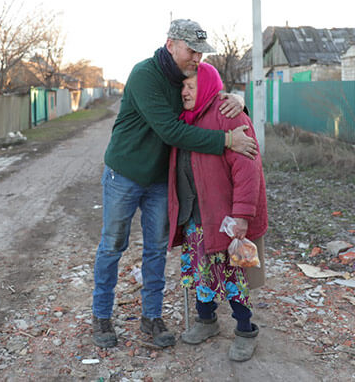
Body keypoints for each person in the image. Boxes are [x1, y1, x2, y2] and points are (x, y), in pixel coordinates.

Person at [92, 19, 258, 348]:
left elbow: (213, 98)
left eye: (201, 53)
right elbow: (171, 131)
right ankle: (101, 317)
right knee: (112, 245)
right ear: (171, 45)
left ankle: (151, 318)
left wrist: (238, 101)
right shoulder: (145, 75)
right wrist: (226, 139)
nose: (197, 58)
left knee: (155, 250)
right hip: (124, 174)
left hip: (158, 181)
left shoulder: (188, 77)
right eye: (191, 51)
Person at [167, 62, 268, 362]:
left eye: (190, 86)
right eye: (182, 86)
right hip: (195, 216)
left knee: (234, 274)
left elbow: (248, 170)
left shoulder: (228, 114)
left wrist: (242, 215)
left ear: (208, 86)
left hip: (225, 218)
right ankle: (206, 320)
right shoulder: (183, 120)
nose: (183, 91)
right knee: (202, 272)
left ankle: (245, 331)